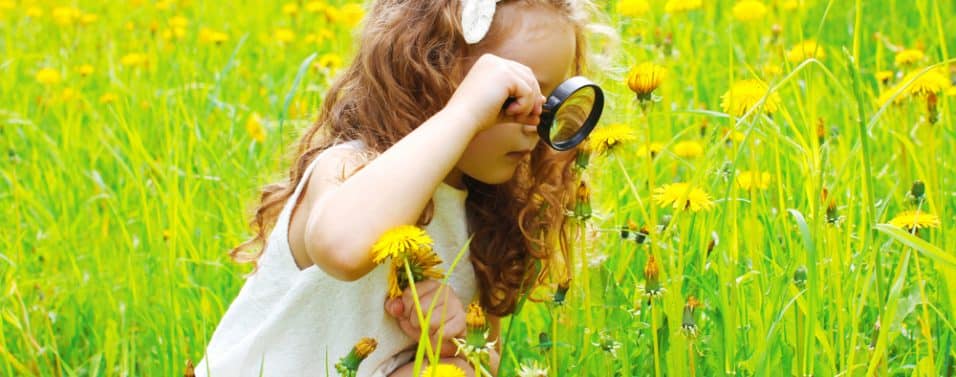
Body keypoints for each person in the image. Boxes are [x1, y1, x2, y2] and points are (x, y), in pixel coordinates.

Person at [195, 0, 599, 375]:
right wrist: (465, 113)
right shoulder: (349, 167)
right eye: (514, 96)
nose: (538, 126)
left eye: (551, 104)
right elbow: (342, 248)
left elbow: (483, 356)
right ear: (428, 78)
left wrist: (455, 339)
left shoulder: (485, 216)